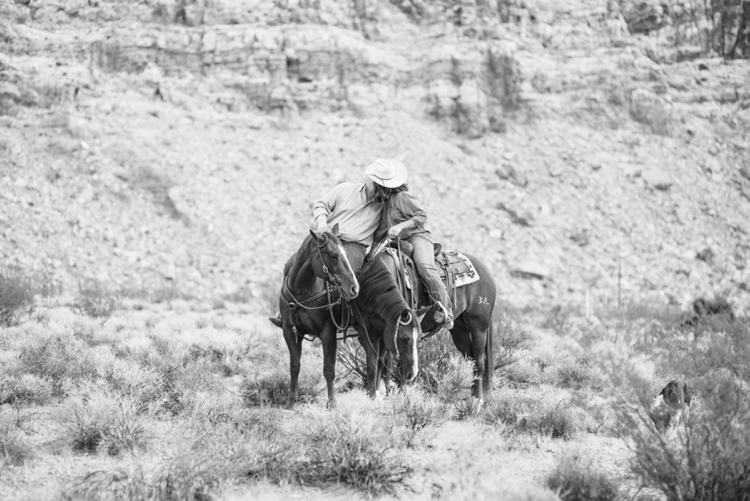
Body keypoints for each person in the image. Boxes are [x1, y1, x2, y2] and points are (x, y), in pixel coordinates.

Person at [373, 159, 454, 330]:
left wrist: (400, 226)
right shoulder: (385, 205)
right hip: (399, 242)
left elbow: (421, 216)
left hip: (418, 236)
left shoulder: (402, 197)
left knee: (424, 266)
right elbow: (380, 232)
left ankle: (447, 311)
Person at [310, 160, 406, 274]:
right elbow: (321, 205)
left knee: (348, 276)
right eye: (383, 187)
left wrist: (372, 252)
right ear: (372, 182)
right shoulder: (344, 189)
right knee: (299, 266)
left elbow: (382, 231)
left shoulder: (385, 206)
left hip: (354, 245)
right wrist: (322, 225)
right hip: (328, 237)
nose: (386, 191)